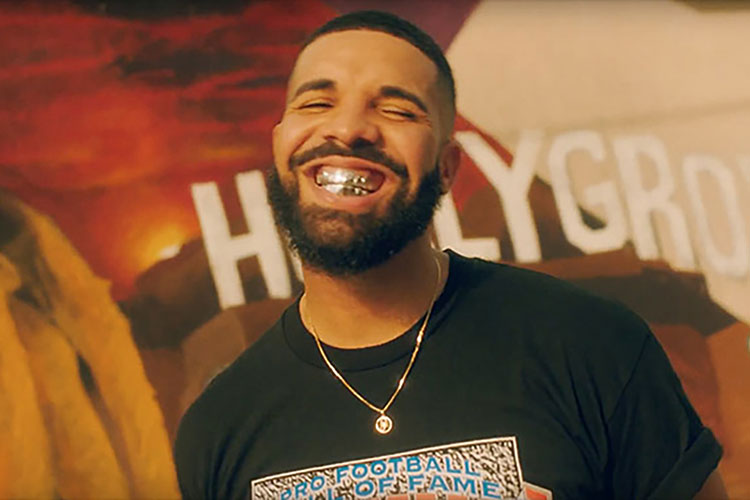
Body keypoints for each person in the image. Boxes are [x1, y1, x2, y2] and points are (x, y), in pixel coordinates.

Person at [175, 10, 725, 500]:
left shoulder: (590, 346)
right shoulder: (220, 426)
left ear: (446, 167)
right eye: (317, 102)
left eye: (397, 110)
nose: (347, 128)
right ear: (279, 144)